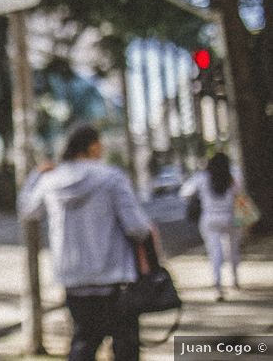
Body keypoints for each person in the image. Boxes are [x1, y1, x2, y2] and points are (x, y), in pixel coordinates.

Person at [18, 126, 151, 361]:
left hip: (74, 279)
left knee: (84, 342)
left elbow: (27, 210)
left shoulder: (50, 181)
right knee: (125, 345)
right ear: (92, 146)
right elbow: (137, 228)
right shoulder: (112, 178)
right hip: (115, 279)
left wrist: (35, 175)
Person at [181, 152, 242, 300]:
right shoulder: (234, 175)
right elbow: (240, 194)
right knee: (233, 250)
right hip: (232, 218)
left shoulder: (202, 177)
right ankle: (235, 280)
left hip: (209, 218)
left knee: (215, 253)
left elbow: (184, 192)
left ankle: (218, 286)